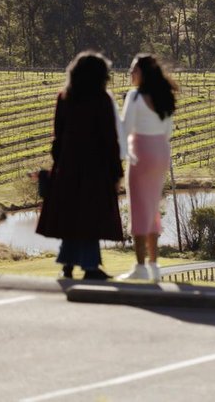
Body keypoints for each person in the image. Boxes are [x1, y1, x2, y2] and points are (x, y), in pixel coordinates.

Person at [35, 51, 126, 280]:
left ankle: (67, 263)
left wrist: (59, 165)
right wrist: (116, 171)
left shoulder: (64, 97)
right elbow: (109, 139)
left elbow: (58, 136)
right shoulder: (101, 100)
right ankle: (90, 266)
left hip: (68, 167)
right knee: (90, 218)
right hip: (95, 169)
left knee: (73, 216)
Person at [118, 54, 178, 281]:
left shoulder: (134, 97)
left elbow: (125, 128)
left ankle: (140, 266)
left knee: (138, 208)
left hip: (140, 152)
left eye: (133, 70)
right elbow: (168, 131)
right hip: (161, 151)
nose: (130, 74)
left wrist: (124, 154)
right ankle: (154, 265)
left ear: (142, 73)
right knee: (152, 207)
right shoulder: (165, 97)